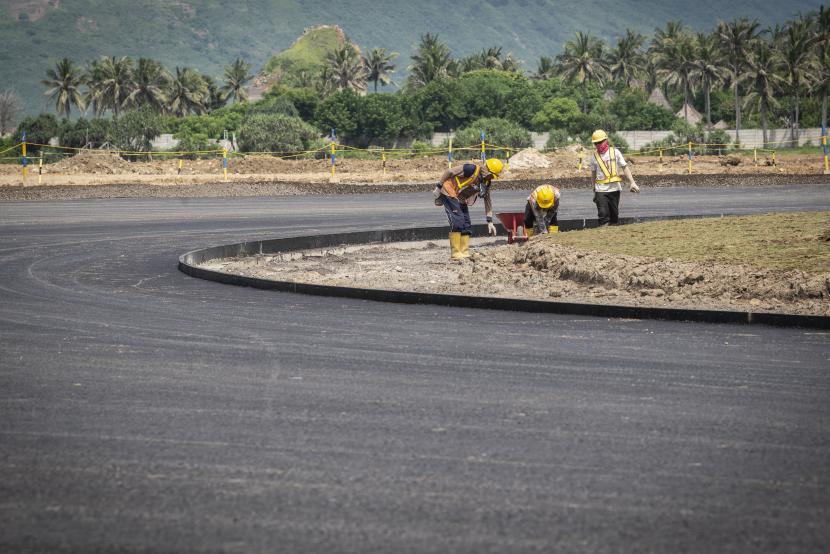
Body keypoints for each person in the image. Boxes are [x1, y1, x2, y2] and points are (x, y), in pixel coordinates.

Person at [433, 158, 503, 259]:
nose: (491, 178)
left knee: (466, 224)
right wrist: (438, 187)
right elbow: (449, 171)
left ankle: (464, 252)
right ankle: (456, 253)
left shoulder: (486, 183)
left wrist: (490, 222)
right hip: (449, 191)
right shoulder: (470, 169)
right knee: (458, 220)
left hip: (460, 198)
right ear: (487, 170)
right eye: (492, 175)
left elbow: (487, 201)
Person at [588, 130, 639, 226]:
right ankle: (603, 233)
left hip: (614, 189)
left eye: (600, 142)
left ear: (606, 140)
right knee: (603, 215)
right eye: (596, 143)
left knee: (614, 217)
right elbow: (593, 174)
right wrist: (594, 189)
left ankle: (613, 233)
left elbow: (624, 167)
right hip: (601, 190)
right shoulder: (594, 157)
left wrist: (632, 182)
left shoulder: (615, 152)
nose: (598, 145)